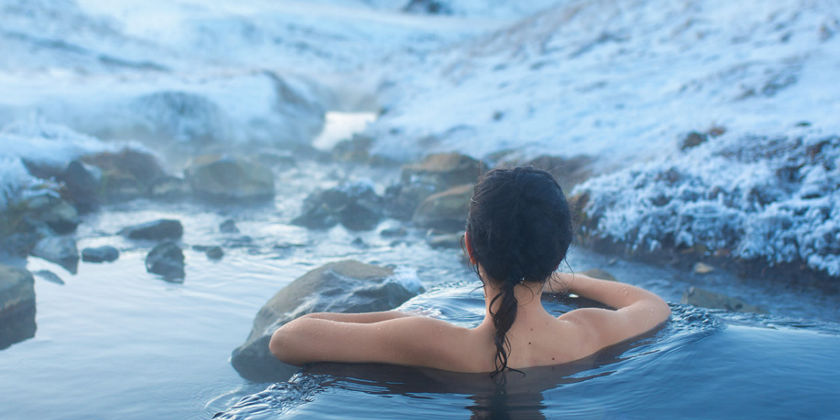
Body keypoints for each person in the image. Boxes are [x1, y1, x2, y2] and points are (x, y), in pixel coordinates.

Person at [269, 166, 670, 374]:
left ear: (468, 248)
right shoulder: (589, 331)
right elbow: (653, 305)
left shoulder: (427, 339)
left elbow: (287, 339)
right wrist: (560, 281)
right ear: (561, 249)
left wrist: (395, 317)